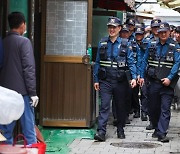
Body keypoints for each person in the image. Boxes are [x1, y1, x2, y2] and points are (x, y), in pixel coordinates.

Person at [93, 17, 137, 141]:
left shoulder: (125, 44)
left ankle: (120, 129)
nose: (111, 30)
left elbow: (131, 62)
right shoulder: (102, 43)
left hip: (120, 81)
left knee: (120, 106)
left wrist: (134, 77)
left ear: (119, 29)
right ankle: (101, 132)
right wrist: (96, 79)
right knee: (104, 106)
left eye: (114, 27)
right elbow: (97, 62)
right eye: (110, 27)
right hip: (105, 80)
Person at [0, 12, 38, 145]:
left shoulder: (3, 42)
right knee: (29, 129)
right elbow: (29, 69)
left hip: (4, 93)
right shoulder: (24, 42)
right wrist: (33, 93)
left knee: (5, 130)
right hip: (22, 93)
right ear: (22, 25)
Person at [139, 22, 180, 142]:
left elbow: (177, 63)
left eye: (165, 32)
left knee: (165, 108)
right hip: (153, 82)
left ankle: (162, 132)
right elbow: (144, 60)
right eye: (161, 32)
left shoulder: (175, 46)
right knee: (153, 108)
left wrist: (170, 78)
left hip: (167, 83)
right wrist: (141, 76)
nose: (163, 34)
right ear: (157, 32)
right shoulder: (151, 45)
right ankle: (157, 128)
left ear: (169, 32)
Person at [145, 18, 161, 130]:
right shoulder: (148, 41)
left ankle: (160, 123)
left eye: (158, 27)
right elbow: (144, 58)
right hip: (150, 74)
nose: (156, 29)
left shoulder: (167, 40)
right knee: (150, 99)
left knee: (162, 102)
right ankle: (152, 121)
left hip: (163, 76)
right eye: (154, 27)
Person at [132, 26, 148, 121]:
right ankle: (136, 110)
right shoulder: (131, 44)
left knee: (144, 92)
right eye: (137, 34)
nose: (139, 36)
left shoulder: (147, 44)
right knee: (134, 93)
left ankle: (144, 112)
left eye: (140, 34)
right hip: (134, 71)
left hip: (144, 72)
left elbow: (145, 60)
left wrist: (141, 74)